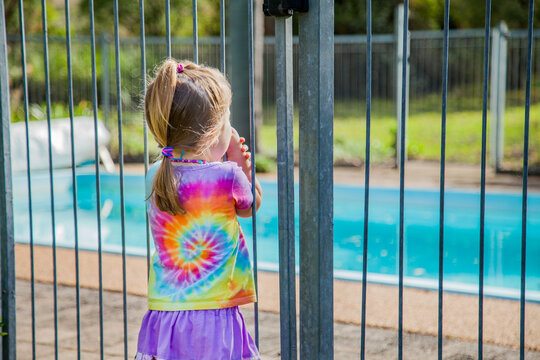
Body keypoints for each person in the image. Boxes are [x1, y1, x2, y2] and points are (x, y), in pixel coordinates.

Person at [135, 58, 262, 360]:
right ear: (212, 134)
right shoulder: (228, 176)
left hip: (165, 315)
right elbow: (250, 206)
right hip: (214, 317)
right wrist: (244, 168)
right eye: (227, 121)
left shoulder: (155, 175)